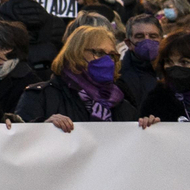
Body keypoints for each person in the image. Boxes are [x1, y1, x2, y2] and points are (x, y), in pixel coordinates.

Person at [15, 24, 156, 131]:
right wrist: (43, 128)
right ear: (75, 53)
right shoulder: (41, 96)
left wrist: (147, 128)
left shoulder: (123, 106)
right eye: (99, 53)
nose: (107, 60)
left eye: (112, 55)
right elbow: (20, 144)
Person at [119, 13, 162, 105]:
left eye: (153, 36)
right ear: (128, 43)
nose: (147, 40)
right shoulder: (119, 74)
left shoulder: (170, 68)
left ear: (161, 39)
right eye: (140, 36)